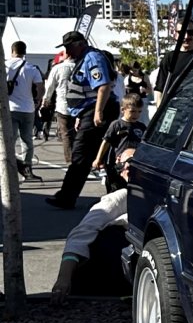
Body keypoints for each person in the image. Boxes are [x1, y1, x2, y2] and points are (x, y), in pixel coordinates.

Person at [50, 146, 136, 301]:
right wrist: (63, 279)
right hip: (107, 274)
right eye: (129, 162)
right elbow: (79, 236)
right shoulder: (119, 199)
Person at [47, 32, 119, 210]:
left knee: (81, 154)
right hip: (89, 111)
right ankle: (69, 196)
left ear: (80, 44)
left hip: (98, 110)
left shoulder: (92, 58)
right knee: (89, 155)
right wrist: (81, 115)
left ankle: (66, 197)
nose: (67, 51)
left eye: (69, 46)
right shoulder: (84, 58)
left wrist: (97, 112)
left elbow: (103, 86)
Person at [7, 41, 45, 180]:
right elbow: (40, 88)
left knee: (9, 140)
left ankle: (8, 168)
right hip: (28, 108)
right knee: (27, 140)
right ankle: (27, 169)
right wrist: (37, 101)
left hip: (9, 108)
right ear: (24, 51)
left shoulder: (5, 66)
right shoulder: (31, 68)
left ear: (12, 51)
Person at [93, 93, 147, 192]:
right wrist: (98, 159)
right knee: (115, 189)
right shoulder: (117, 124)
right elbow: (106, 142)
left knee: (131, 190)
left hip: (132, 164)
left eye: (139, 111)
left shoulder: (141, 127)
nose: (136, 115)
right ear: (123, 110)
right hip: (116, 164)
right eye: (132, 111)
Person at [41, 47, 77, 162]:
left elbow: (49, 87)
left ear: (66, 55)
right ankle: (79, 158)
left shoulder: (58, 68)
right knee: (78, 134)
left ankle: (71, 160)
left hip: (63, 106)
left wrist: (45, 101)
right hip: (80, 106)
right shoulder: (80, 66)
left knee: (66, 135)